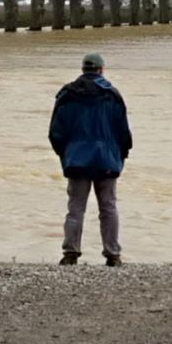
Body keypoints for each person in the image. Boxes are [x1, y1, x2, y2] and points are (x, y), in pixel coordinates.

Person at [48, 53, 133, 267]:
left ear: (83, 69)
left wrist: (66, 154)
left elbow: (56, 133)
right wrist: (120, 156)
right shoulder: (112, 95)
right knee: (109, 206)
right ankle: (112, 254)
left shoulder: (66, 95)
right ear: (101, 70)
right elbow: (123, 132)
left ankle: (70, 253)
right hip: (106, 159)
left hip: (76, 158)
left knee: (76, 207)